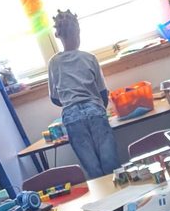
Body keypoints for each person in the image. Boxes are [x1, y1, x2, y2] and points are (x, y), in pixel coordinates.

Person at [48, 10, 119, 179]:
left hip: (71, 116)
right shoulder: (89, 58)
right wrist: (98, 106)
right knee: (110, 162)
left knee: (92, 167)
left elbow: (55, 98)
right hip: (94, 109)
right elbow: (103, 92)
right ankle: (119, 191)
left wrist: (72, 103)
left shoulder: (54, 62)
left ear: (58, 36)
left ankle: (103, 193)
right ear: (78, 32)